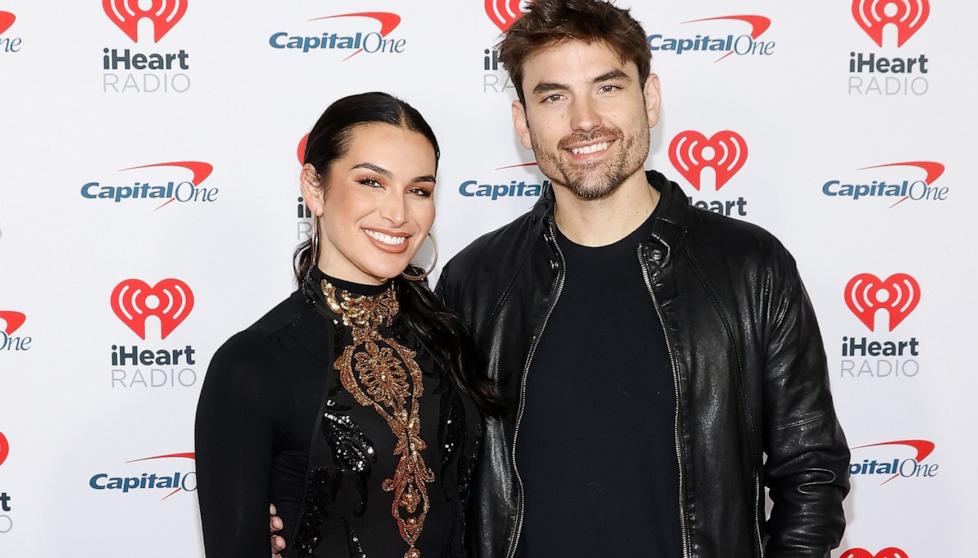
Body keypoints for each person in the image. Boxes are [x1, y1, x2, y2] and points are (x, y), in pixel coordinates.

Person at [272, 1, 850, 557]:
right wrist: (297, 515)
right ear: (523, 123)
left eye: (608, 87)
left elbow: (811, 475)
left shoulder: (749, 268)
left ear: (649, 98)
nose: (584, 121)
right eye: (554, 97)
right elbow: (419, 455)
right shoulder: (476, 282)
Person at [196, 92, 497, 558]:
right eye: (372, 182)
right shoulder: (253, 364)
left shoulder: (448, 336)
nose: (398, 214)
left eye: (419, 190)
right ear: (314, 188)